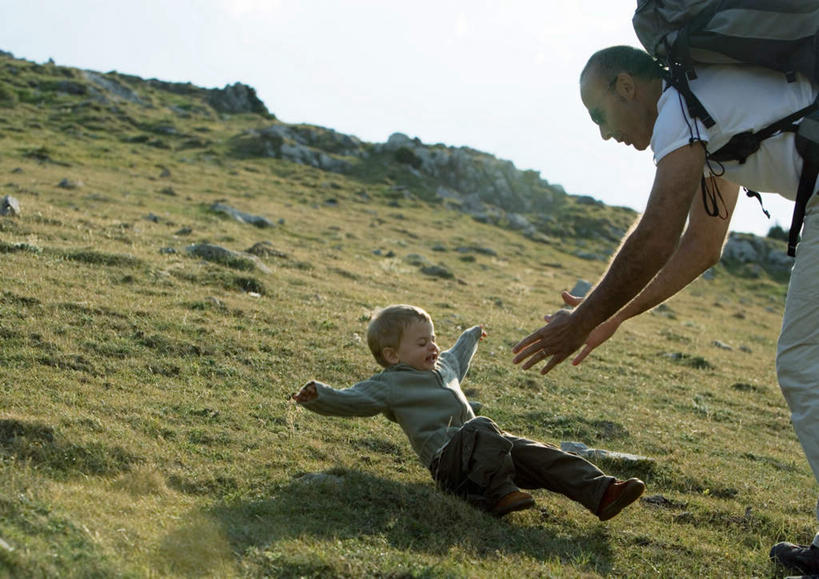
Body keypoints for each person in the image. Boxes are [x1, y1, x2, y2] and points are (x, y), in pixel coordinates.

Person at [511, 45, 819, 574]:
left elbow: (656, 235)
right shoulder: (703, 113)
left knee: (803, 365)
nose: (605, 134)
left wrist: (581, 321)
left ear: (627, 88)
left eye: (599, 115)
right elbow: (702, 246)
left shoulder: (679, 108)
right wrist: (613, 315)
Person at [292, 304, 645, 519]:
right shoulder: (389, 384)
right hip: (450, 463)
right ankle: (497, 493)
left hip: (485, 451)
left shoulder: (442, 366)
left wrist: (471, 335)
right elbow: (350, 400)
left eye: (433, 338)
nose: (432, 346)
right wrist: (318, 395)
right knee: (481, 427)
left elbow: (458, 354)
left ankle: (602, 493)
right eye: (421, 342)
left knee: (536, 451)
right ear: (392, 356)